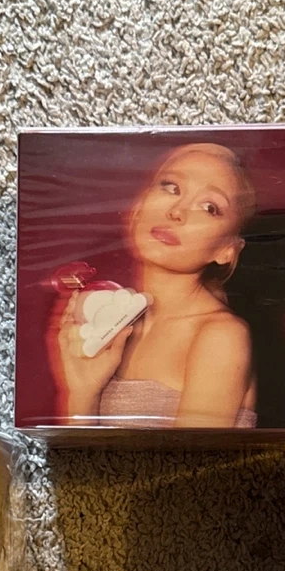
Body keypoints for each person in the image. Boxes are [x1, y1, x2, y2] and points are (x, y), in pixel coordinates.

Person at [50, 142, 259, 428]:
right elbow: (80, 453)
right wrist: (83, 393)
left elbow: (192, 458)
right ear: (139, 207)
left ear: (227, 250)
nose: (177, 211)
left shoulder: (222, 336)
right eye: (171, 188)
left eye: (209, 207)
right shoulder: (114, 323)